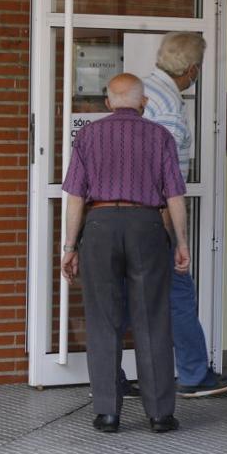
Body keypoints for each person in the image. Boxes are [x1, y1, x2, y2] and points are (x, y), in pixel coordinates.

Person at [61, 74, 191, 434]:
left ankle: (107, 413)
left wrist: (70, 246)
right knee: (152, 319)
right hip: (146, 225)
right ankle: (160, 415)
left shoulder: (88, 136)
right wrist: (181, 242)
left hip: (100, 225)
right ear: (143, 102)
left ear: (107, 103)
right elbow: (174, 196)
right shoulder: (160, 136)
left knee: (103, 320)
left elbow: (75, 197)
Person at [140, 32, 227, 398]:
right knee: (179, 294)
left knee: (132, 296)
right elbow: (164, 178)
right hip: (154, 217)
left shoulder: (143, 88)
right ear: (192, 69)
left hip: (124, 217)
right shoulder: (168, 107)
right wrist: (174, 235)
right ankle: (195, 375)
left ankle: (115, 376)